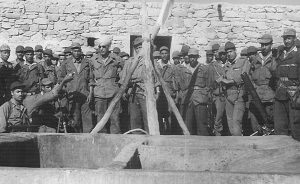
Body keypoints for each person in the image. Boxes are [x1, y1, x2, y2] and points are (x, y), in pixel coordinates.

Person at [90, 36, 122, 134]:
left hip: (113, 92)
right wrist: (91, 92)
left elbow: (122, 75)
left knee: (115, 118)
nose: (102, 49)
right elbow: (91, 77)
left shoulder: (116, 59)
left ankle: (115, 140)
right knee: (100, 118)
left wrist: (120, 89)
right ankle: (102, 140)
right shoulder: (93, 60)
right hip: (99, 93)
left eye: (104, 47)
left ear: (109, 47)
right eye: (100, 47)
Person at [59, 42, 93, 133]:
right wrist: (66, 91)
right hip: (72, 96)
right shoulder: (66, 63)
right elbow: (61, 79)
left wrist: (91, 93)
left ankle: (87, 140)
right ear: (71, 51)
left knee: (88, 121)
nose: (77, 53)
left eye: (78, 51)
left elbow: (91, 79)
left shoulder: (87, 62)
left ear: (81, 51)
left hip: (85, 95)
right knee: (75, 121)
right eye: (74, 51)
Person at [119, 37, 150, 133]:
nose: (138, 50)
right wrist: (123, 92)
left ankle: (150, 141)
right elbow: (123, 78)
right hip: (132, 93)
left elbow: (156, 80)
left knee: (148, 118)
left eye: (140, 47)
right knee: (134, 118)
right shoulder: (129, 62)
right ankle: (136, 141)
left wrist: (157, 92)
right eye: (136, 48)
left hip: (145, 93)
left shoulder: (149, 61)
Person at [273, 28, 300, 140]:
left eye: (289, 38)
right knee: (279, 126)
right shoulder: (280, 55)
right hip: (280, 94)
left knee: (295, 126)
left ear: (294, 39)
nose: (286, 41)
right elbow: (274, 73)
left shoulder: (298, 54)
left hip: (294, 95)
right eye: (285, 39)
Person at [219, 41, 250, 136]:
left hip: (239, 95)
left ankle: (239, 146)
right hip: (228, 96)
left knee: (236, 122)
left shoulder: (244, 62)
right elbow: (224, 78)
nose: (229, 54)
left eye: (231, 51)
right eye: (227, 52)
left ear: (235, 51)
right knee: (230, 122)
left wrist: (228, 81)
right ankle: (234, 145)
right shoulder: (227, 66)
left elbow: (244, 77)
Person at [181, 48, 210, 135]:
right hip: (188, 99)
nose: (192, 59)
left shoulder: (204, 69)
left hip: (200, 99)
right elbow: (182, 85)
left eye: (194, 57)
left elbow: (209, 85)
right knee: (188, 125)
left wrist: (205, 96)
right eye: (190, 57)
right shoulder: (184, 70)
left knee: (202, 125)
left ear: (197, 57)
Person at [247, 43, 275, 133]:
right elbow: (250, 75)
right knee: (256, 122)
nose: (264, 47)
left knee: (270, 121)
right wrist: (254, 87)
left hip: (270, 96)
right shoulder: (255, 60)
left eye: (266, 45)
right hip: (257, 95)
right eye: (262, 45)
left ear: (271, 45)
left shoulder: (274, 58)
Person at [155, 46, 177, 134]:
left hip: (169, 93)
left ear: (168, 55)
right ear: (160, 54)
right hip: (158, 93)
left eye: (166, 53)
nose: (164, 55)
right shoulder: (156, 65)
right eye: (162, 53)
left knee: (169, 114)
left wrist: (175, 93)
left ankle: (169, 133)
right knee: (158, 114)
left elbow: (174, 81)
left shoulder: (172, 67)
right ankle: (159, 132)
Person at [208, 47, 227, 136]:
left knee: (229, 118)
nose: (222, 55)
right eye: (221, 54)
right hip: (219, 95)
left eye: (224, 54)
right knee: (218, 118)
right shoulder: (212, 67)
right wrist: (217, 81)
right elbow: (210, 83)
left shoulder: (229, 65)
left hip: (230, 94)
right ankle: (218, 136)